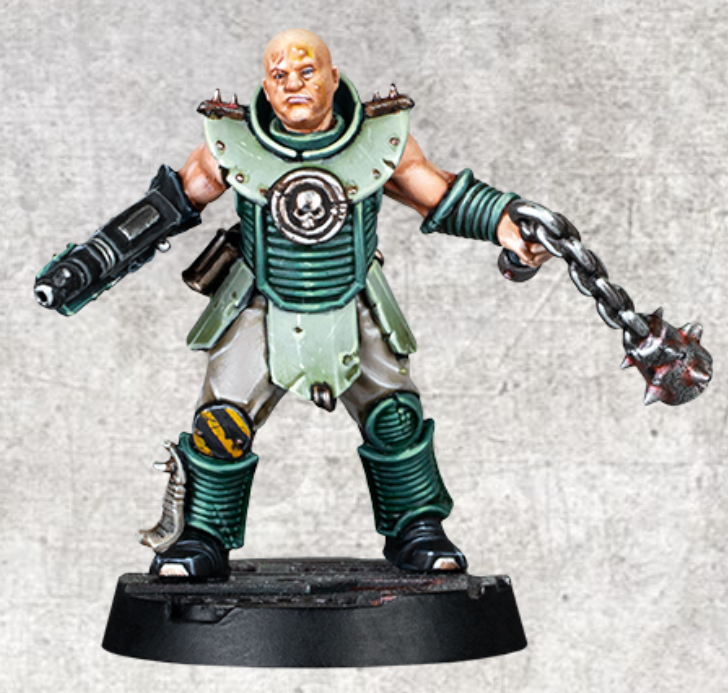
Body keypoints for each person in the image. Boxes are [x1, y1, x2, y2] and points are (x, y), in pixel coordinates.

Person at [35, 28, 549, 579]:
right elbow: (172, 202)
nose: (293, 84)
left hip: (353, 296)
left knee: (395, 418)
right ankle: (200, 536)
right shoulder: (232, 142)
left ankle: (417, 528)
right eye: (279, 75)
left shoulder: (379, 140)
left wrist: (505, 222)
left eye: (306, 72)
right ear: (265, 85)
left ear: (332, 76)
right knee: (221, 424)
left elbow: (438, 193)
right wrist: (90, 262)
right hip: (260, 299)